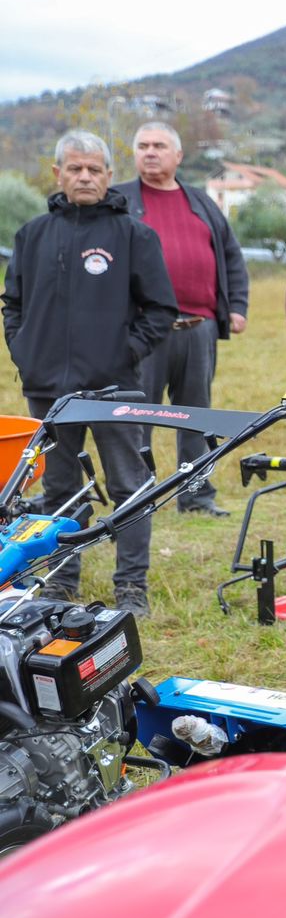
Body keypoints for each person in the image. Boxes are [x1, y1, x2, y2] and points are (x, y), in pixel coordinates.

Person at [2, 130, 178, 616]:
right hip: (48, 391)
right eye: (74, 168)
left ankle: (131, 588)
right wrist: (25, 352)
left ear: (107, 175)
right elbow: (12, 303)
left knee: (130, 486)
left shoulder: (133, 236)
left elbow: (161, 309)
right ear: (57, 173)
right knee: (57, 489)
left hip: (113, 389)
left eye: (94, 169)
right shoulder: (32, 234)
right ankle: (60, 580)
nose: (84, 176)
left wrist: (123, 354)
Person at [112, 121, 250, 516]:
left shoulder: (202, 202)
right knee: (138, 416)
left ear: (178, 155)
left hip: (198, 328)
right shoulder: (116, 200)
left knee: (196, 417)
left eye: (158, 145)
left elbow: (230, 256)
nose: (150, 152)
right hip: (142, 330)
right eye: (142, 145)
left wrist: (236, 306)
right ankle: (136, 500)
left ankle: (196, 496)